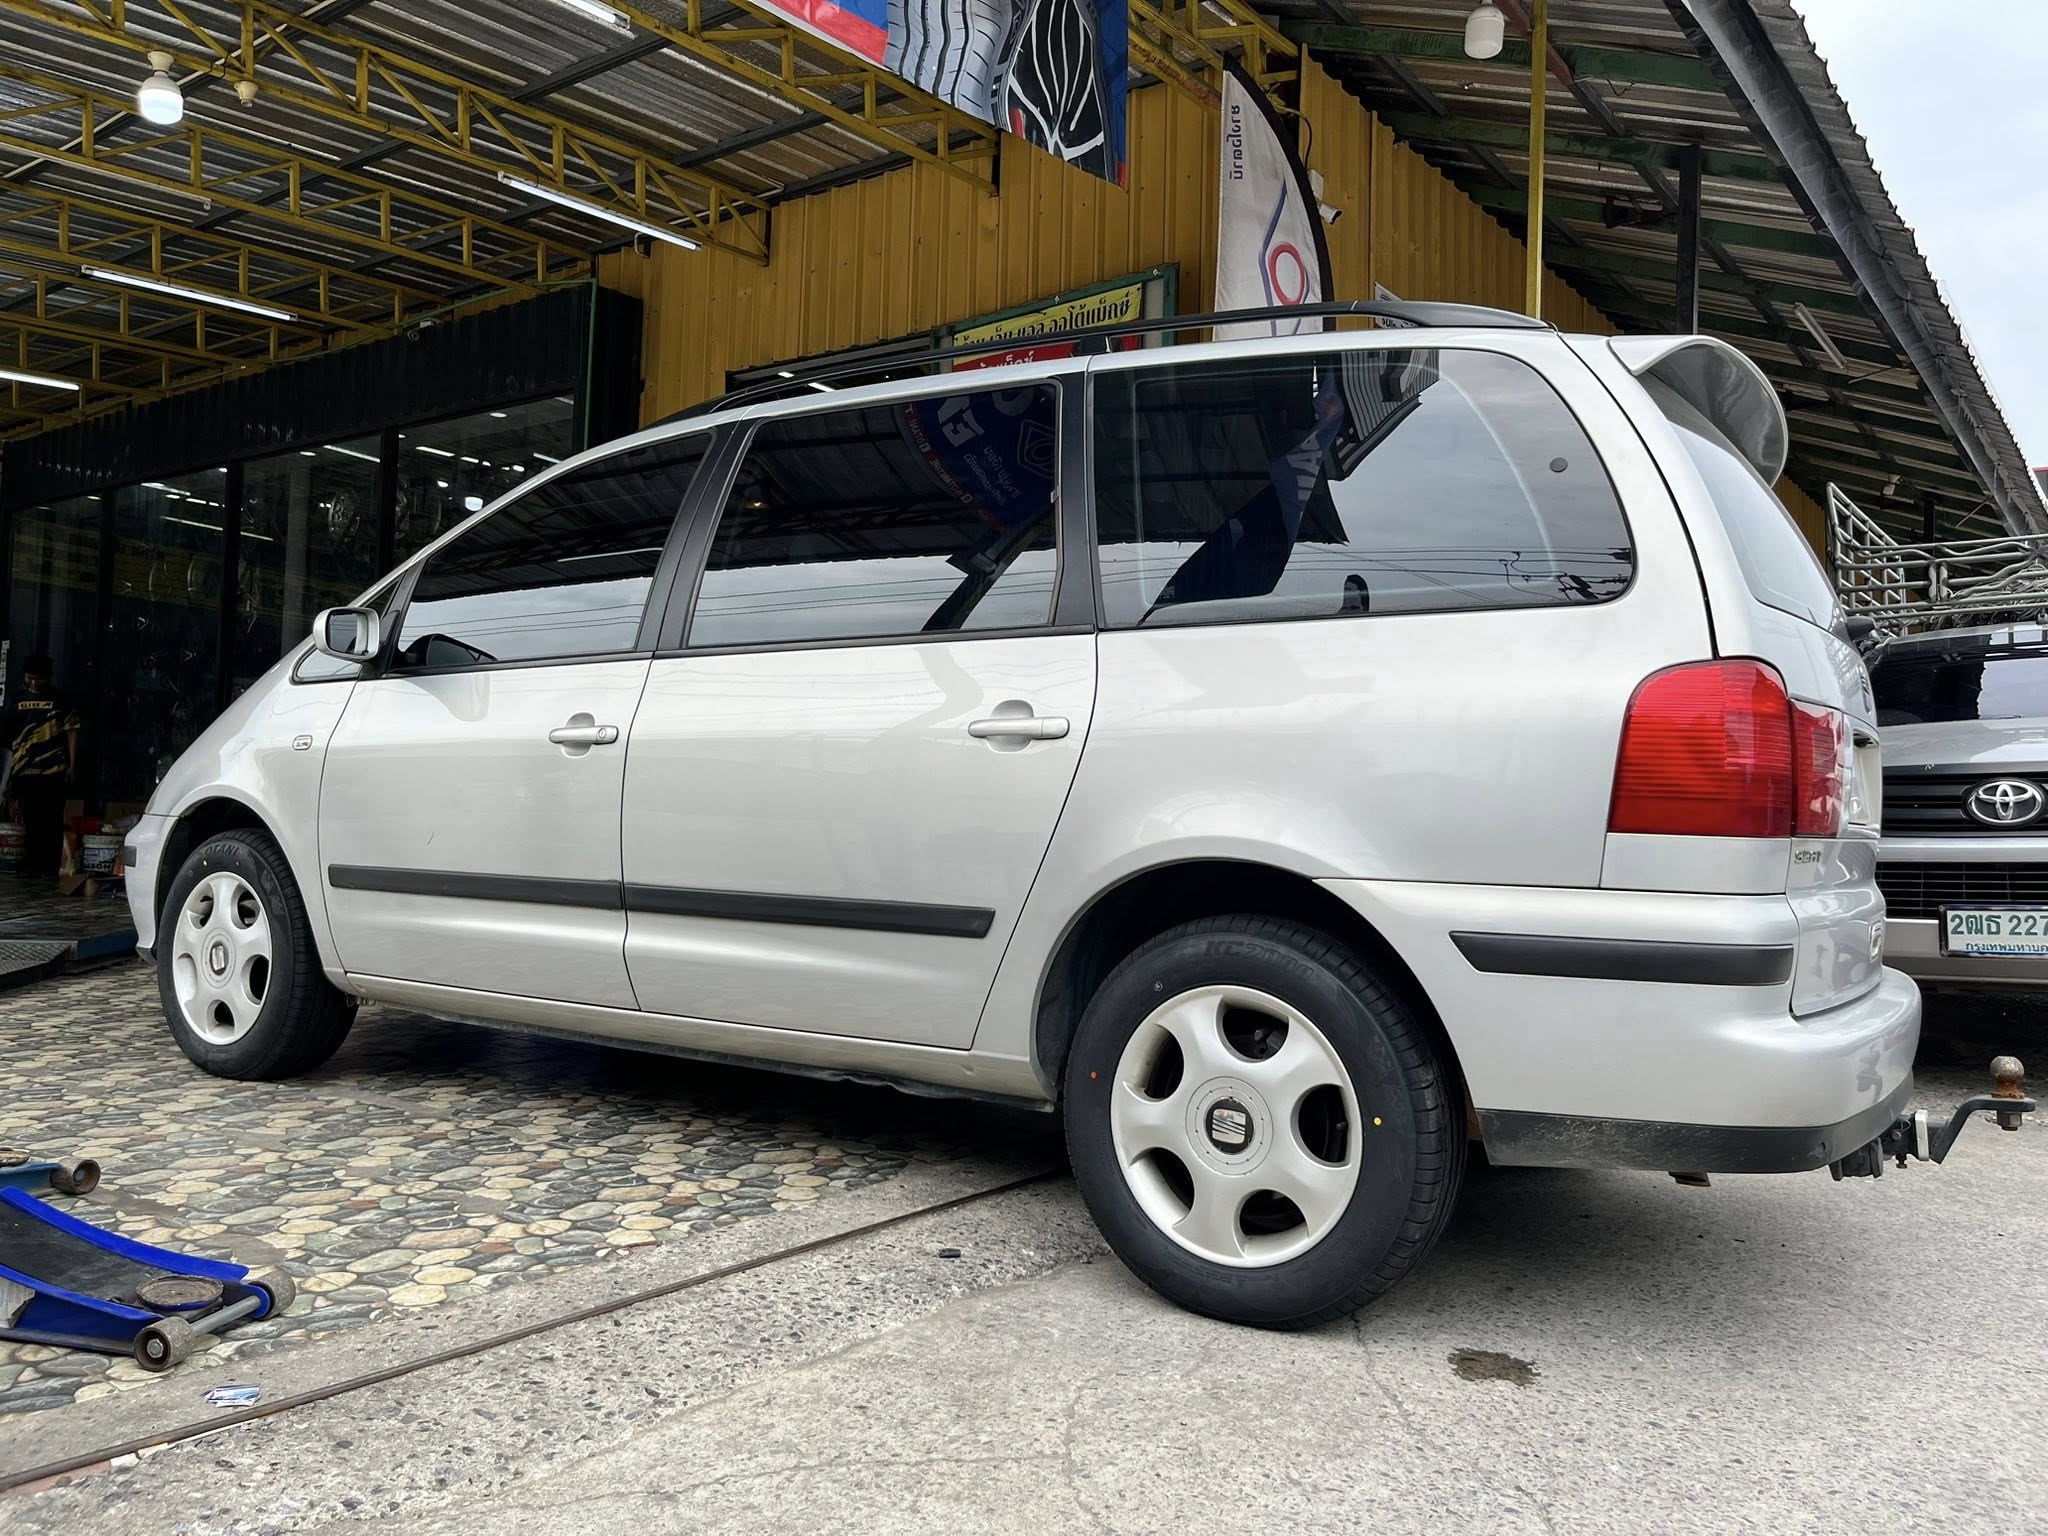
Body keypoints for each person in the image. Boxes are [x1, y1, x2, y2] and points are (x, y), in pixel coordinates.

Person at [3, 655, 81, 880]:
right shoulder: (15, 700)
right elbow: (7, 738)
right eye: (30, 678)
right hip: (23, 769)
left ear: (47, 678)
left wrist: (72, 765)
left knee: (51, 819)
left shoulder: (60, 699)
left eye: (39, 679)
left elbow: (72, 731)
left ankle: (48, 867)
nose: (35, 683)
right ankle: (31, 865)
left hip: (53, 769)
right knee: (28, 819)